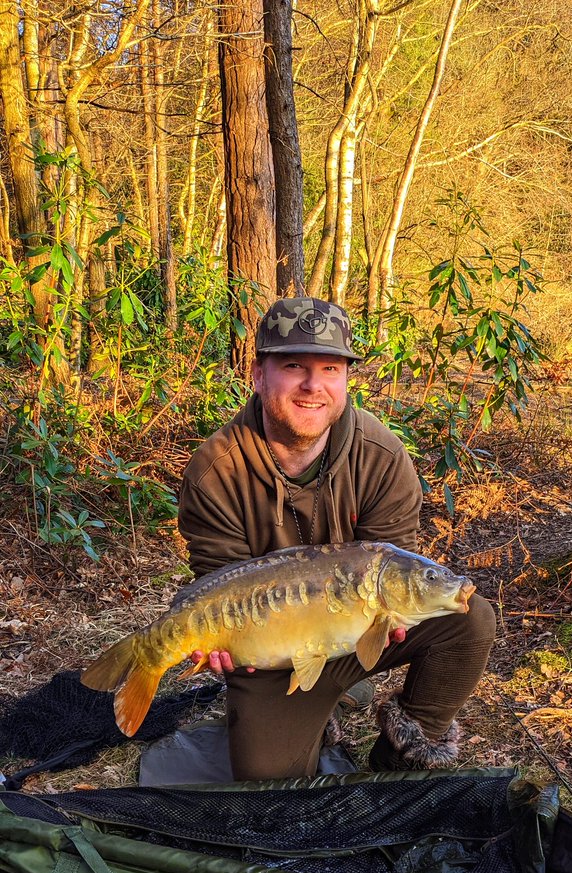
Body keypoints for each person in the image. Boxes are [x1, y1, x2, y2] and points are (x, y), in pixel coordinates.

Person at [178, 297, 495, 780]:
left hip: (359, 631)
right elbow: (219, 585)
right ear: (259, 374)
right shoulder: (215, 470)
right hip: (272, 653)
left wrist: (375, 629)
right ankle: (316, 708)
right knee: (269, 789)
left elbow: (395, 567)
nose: (313, 385)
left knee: (470, 619)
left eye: (330, 368)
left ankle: (401, 758)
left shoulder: (383, 457)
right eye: (293, 366)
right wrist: (217, 645)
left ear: (346, 379)